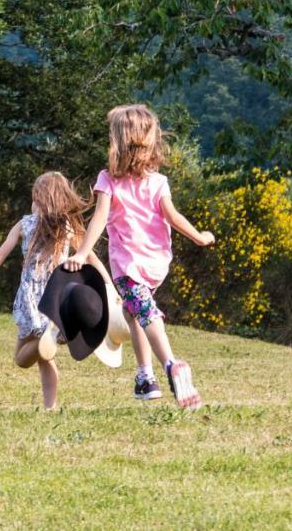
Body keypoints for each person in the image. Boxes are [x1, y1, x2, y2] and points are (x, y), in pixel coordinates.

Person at [65, 104, 214, 409]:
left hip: (128, 266)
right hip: (156, 263)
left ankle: (171, 365)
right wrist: (199, 236)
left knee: (145, 314)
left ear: (118, 142)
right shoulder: (159, 182)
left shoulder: (108, 179)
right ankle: (145, 378)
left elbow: (99, 219)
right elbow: (173, 217)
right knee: (135, 314)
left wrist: (82, 253)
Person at [0, 172, 108, 411]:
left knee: (22, 359)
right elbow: (91, 258)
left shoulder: (25, 224)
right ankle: (50, 407)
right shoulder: (69, 227)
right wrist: (110, 287)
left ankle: (46, 339)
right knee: (44, 356)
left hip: (32, 299)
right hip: (57, 297)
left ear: (39, 199)